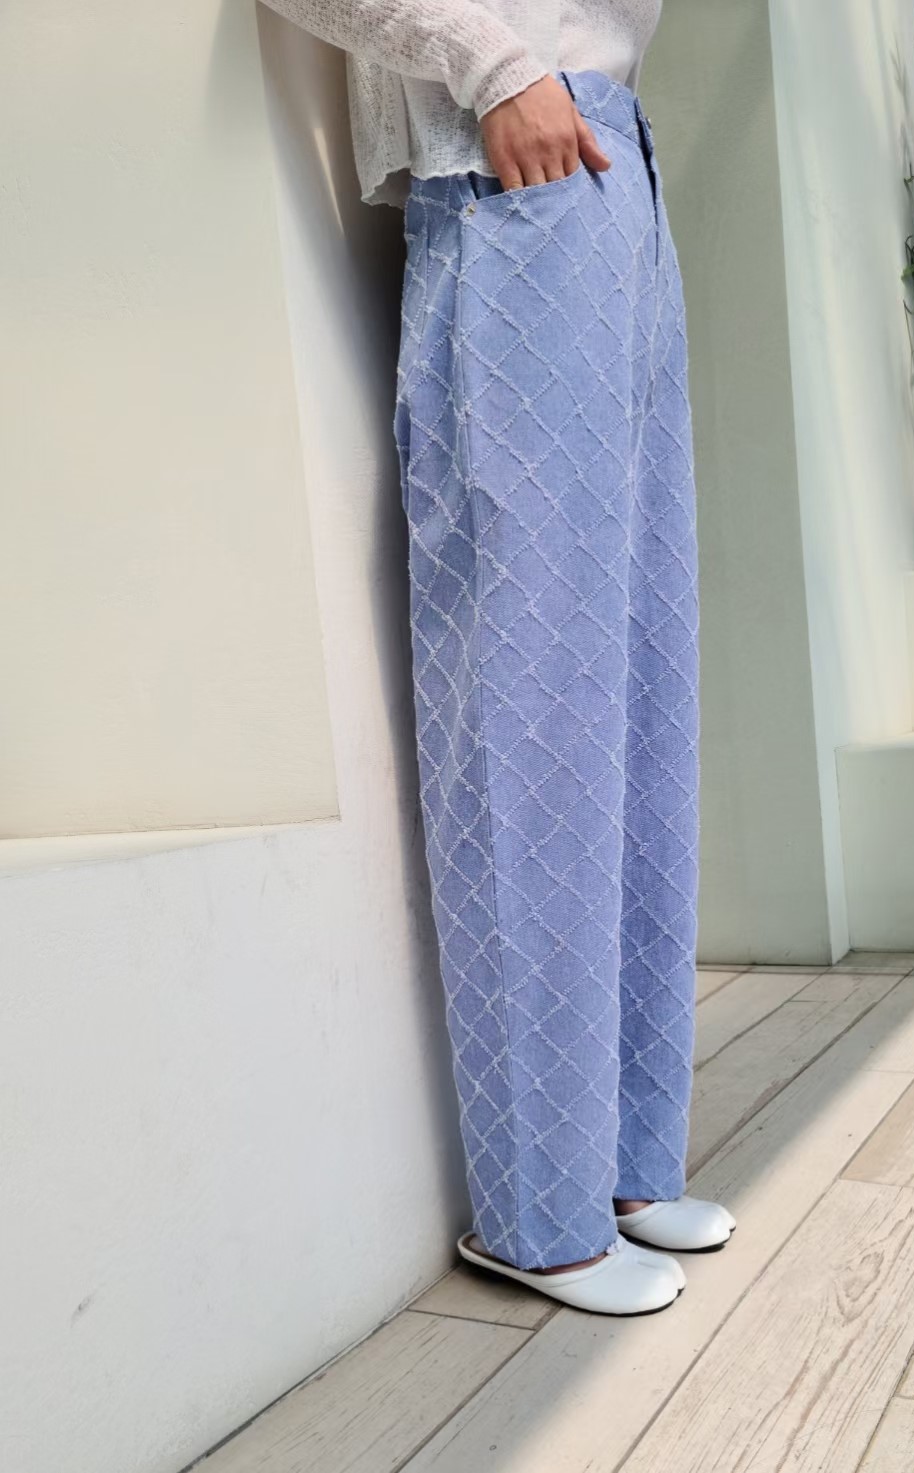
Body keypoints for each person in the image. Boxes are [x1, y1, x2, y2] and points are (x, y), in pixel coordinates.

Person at [260, 0, 734, 1315]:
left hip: (612, 174)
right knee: (532, 704)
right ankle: (538, 1208)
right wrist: (501, 71)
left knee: (641, 688)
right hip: (507, 161)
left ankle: (625, 1162)